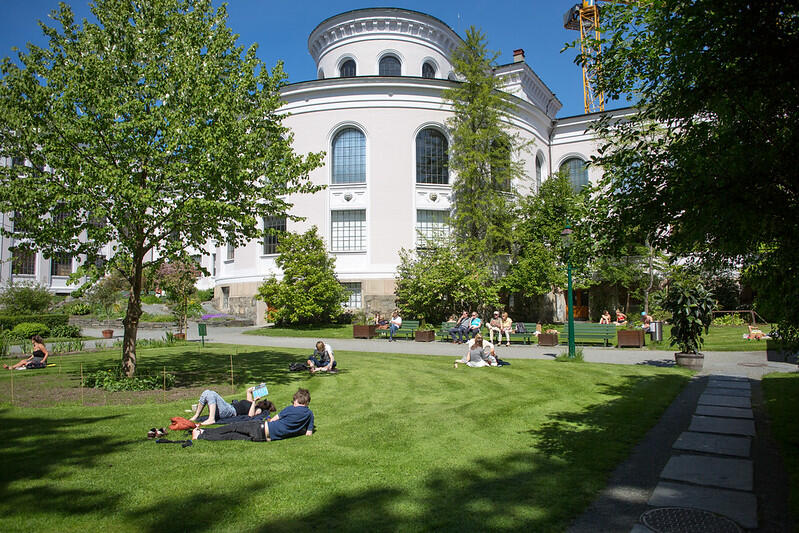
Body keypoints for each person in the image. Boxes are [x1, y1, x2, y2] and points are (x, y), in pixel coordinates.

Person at [193, 388, 314, 442]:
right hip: (266, 439)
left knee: (233, 427)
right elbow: (308, 433)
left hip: (261, 427)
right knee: (231, 436)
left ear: (297, 401)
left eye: (294, 401)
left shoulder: (289, 409)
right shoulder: (310, 415)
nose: (293, 403)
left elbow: (273, 419)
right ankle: (201, 436)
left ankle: (202, 431)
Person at [189, 386, 276, 425]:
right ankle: (196, 415)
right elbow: (248, 391)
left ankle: (211, 419)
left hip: (230, 411)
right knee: (206, 392)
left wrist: (254, 402)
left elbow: (250, 415)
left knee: (211, 394)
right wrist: (257, 387)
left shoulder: (258, 409)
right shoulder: (249, 401)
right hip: (228, 407)